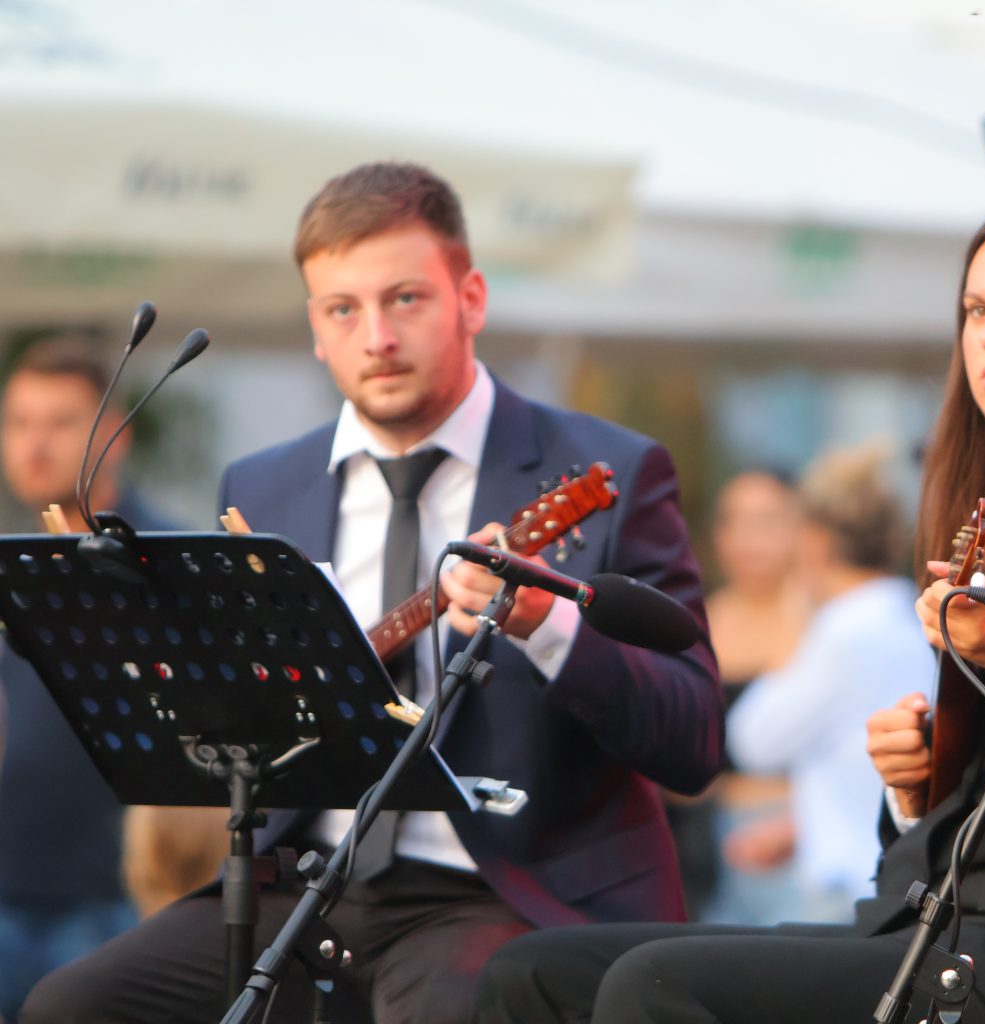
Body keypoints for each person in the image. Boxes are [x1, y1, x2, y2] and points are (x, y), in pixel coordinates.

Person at [470, 192, 985, 1024]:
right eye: (976, 309)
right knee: (529, 975)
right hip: (920, 925)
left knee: (653, 989)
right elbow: (969, 820)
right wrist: (914, 786)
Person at [22, 162, 723, 1024]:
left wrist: (547, 629)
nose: (376, 337)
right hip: (304, 881)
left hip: (505, 893)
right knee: (72, 1007)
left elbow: (694, 735)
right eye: (341, 309)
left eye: (406, 299)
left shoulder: (612, 469)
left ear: (471, 298)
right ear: (315, 330)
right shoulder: (265, 482)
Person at [0, 336, 172, 1017]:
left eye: (61, 422)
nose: (35, 443)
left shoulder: (163, 560)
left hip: (115, 901)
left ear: (115, 435)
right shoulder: (14, 558)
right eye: (19, 422)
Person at [725, 442, 934, 923]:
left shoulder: (842, 629)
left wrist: (793, 620)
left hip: (841, 884)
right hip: (888, 870)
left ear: (816, 540)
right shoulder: (904, 614)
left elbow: (753, 741)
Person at [680, 468, 809, 923]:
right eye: (734, 521)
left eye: (767, 521)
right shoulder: (699, 622)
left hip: (799, 841)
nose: (748, 539)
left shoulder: (826, 623)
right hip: (710, 843)